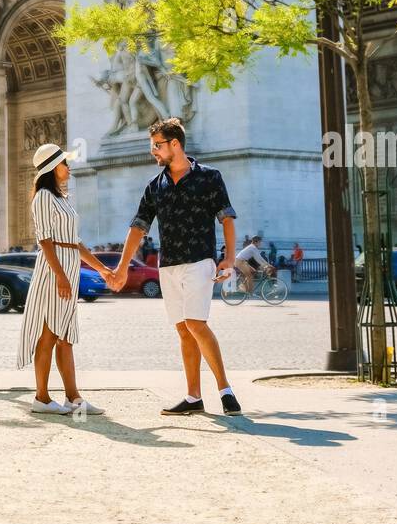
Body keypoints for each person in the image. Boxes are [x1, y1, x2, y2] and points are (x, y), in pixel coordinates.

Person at [105, 117, 241, 416]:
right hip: (168, 266)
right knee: (182, 330)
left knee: (195, 323)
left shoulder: (210, 177)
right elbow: (137, 228)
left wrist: (229, 258)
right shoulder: (155, 186)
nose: (153, 152)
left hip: (199, 260)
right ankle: (193, 396)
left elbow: (227, 218)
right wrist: (123, 267)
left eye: (157, 146)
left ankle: (225, 390)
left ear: (175, 144)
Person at [17, 142, 108, 415]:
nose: (68, 167)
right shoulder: (44, 197)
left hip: (68, 265)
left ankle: (74, 398)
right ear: (54, 167)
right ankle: (42, 398)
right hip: (53, 269)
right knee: (48, 334)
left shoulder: (61, 198)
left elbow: (75, 243)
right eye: (65, 163)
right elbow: (44, 240)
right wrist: (60, 277)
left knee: (65, 336)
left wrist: (102, 269)